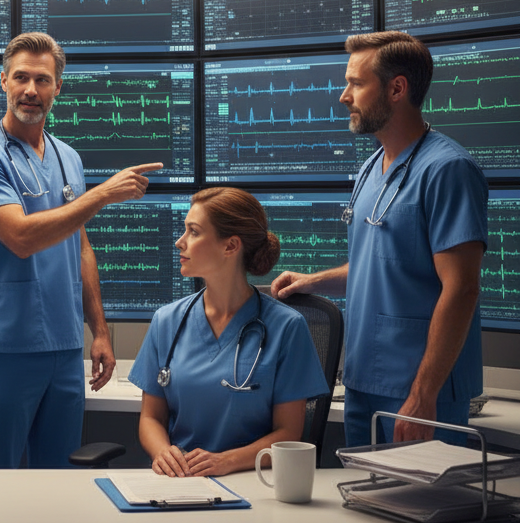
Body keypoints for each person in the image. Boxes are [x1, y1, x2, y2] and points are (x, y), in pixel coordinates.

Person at [0, 31, 163, 469]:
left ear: (57, 88)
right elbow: (21, 238)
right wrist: (102, 195)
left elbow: (80, 246)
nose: (31, 90)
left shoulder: (68, 157)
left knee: (60, 476)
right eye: (21, 77)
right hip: (5, 346)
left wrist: (99, 331)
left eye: (43, 80)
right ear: (4, 81)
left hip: (65, 346)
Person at [272, 31, 487, 447]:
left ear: (396, 89)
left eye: (356, 83)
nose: (343, 96)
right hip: (364, 384)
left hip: (419, 393)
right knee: (360, 490)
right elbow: (383, 265)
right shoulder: (372, 168)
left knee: (417, 490)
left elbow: (462, 288)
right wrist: (313, 282)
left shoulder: (447, 170)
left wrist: (423, 395)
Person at [129, 188, 329, 477]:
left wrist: (226, 461)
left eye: (193, 232)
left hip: (251, 480)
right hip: (181, 481)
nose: (179, 242)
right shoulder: (166, 321)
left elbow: (288, 434)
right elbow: (151, 418)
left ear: (231, 246)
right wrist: (163, 453)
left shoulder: (287, 327)